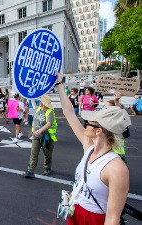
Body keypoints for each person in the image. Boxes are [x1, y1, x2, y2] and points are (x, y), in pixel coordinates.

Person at [56, 71, 131, 225]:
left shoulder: (117, 168)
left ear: (99, 131)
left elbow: (112, 218)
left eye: (89, 122)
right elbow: (69, 113)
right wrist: (59, 84)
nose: (85, 124)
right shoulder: (89, 147)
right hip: (75, 211)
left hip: (94, 219)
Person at [23, 95, 58, 177]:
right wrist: (31, 98)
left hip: (46, 137)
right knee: (33, 153)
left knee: (47, 154)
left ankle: (47, 168)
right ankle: (31, 170)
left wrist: (40, 130)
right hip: (36, 135)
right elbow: (34, 105)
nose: (40, 102)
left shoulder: (50, 112)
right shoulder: (38, 109)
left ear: (44, 103)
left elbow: (49, 123)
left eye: (41, 101)